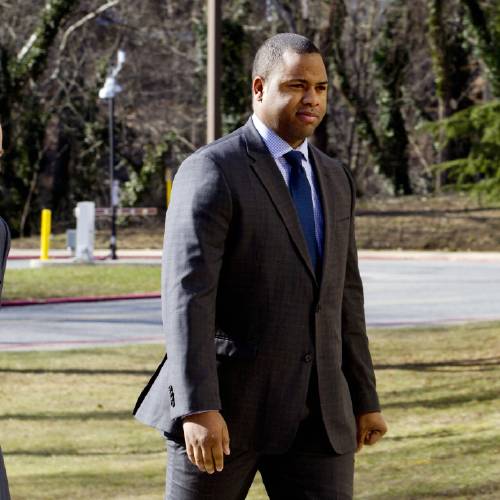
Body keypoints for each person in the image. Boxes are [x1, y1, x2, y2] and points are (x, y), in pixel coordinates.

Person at [134, 33, 387, 499]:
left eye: (321, 87)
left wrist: (363, 397)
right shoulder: (212, 170)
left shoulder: (334, 178)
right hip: (226, 414)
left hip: (319, 416)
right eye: (295, 85)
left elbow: (344, 297)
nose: (311, 98)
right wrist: (197, 408)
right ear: (259, 88)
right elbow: (188, 299)